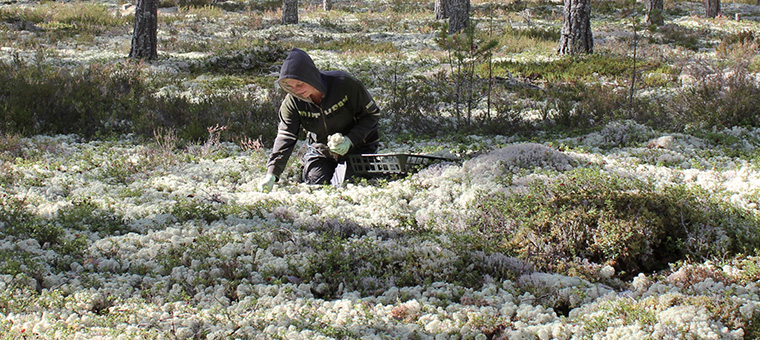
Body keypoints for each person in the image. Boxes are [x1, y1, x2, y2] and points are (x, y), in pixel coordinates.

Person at [257, 48, 381, 192]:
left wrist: (350, 140)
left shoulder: (344, 84)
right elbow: (286, 136)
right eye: (290, 86)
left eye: (299, 84)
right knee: (315, 183)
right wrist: (272, 174)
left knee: (348, 183)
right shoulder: (292, 103)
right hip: (321, 151)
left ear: (310, 77)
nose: (296, 90)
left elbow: (372, 115)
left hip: (359, 148)